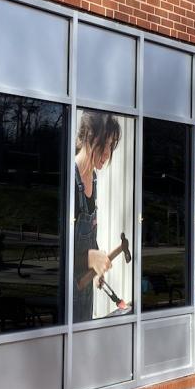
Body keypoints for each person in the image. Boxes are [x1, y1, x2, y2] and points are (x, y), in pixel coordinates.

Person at [73, 111, 122, 322]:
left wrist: (96, 268)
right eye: (105, 144)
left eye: (111, 145)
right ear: (89, 137)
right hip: (66, 299)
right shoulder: (68, 176)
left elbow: (88, 237)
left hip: (84, 295)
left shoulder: (92, 178)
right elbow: (56, 254)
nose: (108, 153)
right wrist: (90, 259)